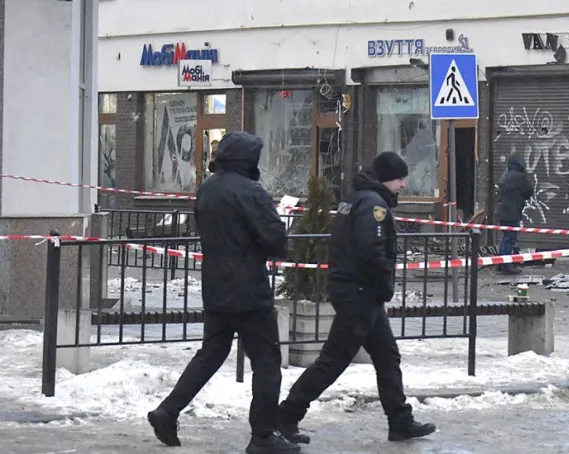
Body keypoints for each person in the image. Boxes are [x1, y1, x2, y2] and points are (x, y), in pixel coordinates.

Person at [147, 131, 299, 454]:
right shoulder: (251, 192)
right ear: (248, 160)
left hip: (216, 287)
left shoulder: (207, 190)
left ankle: (167, 411)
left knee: (211, 354)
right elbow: (276, 241)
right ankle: (262, 435)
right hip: (249, 292)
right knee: (267, 361)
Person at [277, 151, 436, 445]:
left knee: (387, 356)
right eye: (400, 179)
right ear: (388, 178)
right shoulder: (373, 205)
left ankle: (400, 421)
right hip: (360, 294)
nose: (402, 185)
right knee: (333, 360)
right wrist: (384, 280)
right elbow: (371, 251)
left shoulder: (356, 199)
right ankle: (286, 415)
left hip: (359, 293)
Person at [494, 155, 534, 275]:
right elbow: (528, 192)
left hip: (502, 211)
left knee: (505, 239)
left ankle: (499, 264)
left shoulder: (505, 175)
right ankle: (506, 266)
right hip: (512, 213)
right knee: (509, 239)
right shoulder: (519, 177)